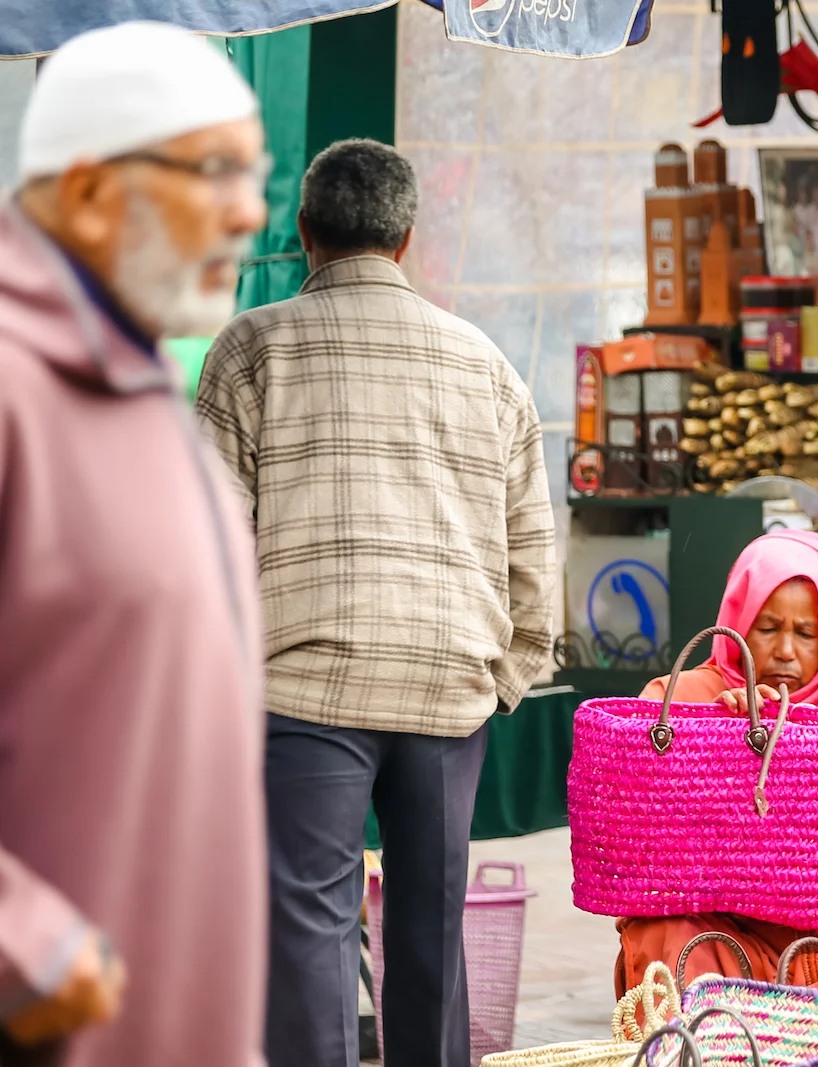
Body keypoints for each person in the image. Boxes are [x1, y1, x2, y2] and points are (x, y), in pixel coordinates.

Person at [195, 138, 558, 1067]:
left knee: (311, 932)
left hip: (303, 691)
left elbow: (206, 544)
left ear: (306, 233)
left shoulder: (250, 347)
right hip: (447, 692)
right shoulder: (485, 363)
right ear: (405, 240)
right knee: (432, 930)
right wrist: (501, 679)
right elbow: (533, 552)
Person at [0, 22, 268, 1067]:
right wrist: (24, 940)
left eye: (255, 173)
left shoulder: (147, 379)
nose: (251, 211)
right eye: (212, 173)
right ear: (87, 191)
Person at [615, 530, 818, 991]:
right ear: (738, 623)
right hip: (730, 934)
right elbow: (632, 827)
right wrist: (721, 736)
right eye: (768, 628)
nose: (785, 651)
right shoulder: (679, 701)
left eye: (807, 633)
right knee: (662, 932)